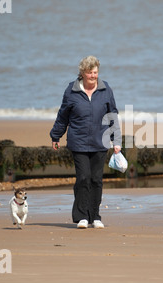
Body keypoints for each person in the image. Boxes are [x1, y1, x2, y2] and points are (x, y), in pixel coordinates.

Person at [50, 56, 122, 229]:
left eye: (95, 72)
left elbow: (113, 116)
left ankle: (95, 216)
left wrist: (116, 141)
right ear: (82, 73)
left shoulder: (106, 90)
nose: (93, 76)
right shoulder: (71, 91)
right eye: (90, 72)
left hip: (100, 141)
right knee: (83, 178)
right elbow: (63, 116)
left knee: (96, 179)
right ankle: (82, 216)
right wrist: (56, 136)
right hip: (79, 141)